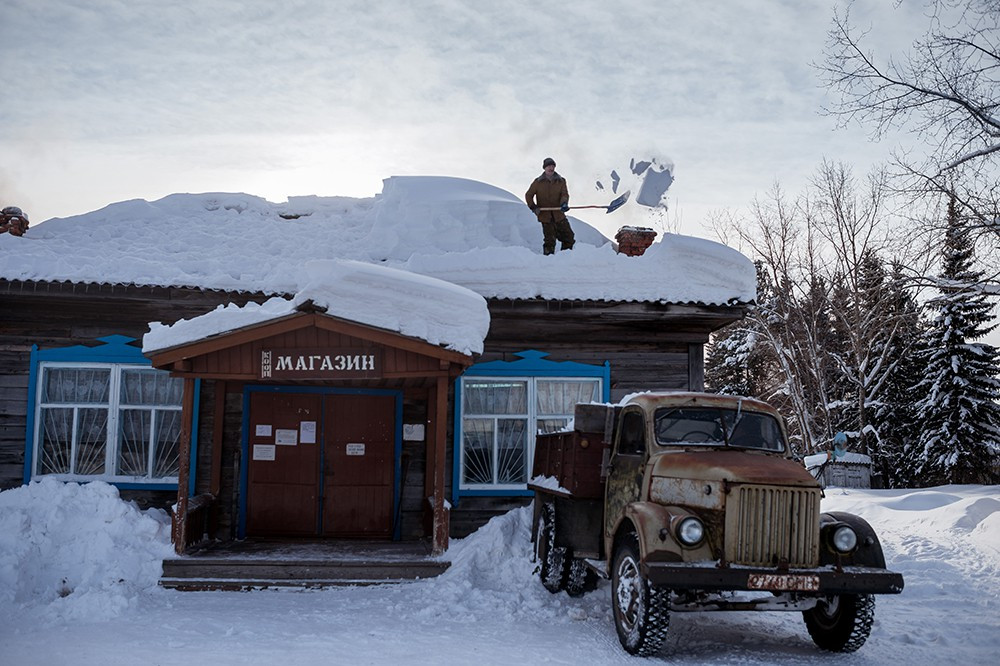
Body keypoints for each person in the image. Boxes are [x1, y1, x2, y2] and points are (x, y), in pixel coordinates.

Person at [525, 157, 574, 255]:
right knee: (549, 241)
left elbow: (564, 194)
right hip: (545, 216)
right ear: (544, 168)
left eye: (552, 166)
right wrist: (533, 207)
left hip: (559, 215)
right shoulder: (538, 182)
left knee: (569, 237)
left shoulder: (561, 181)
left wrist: (564, 204)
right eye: (549, 166)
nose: (551, 168)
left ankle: (565, 258)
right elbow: (529, 195)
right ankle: (548, 262)